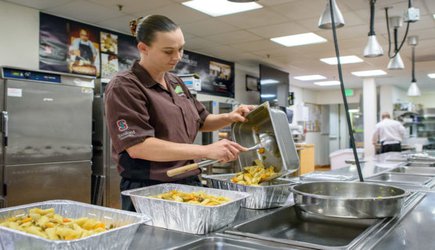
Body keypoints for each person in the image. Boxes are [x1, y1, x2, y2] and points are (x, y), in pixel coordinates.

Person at [104, 15, 255, 211]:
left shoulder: (175, 82)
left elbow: (201, 120)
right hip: (150, 188)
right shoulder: (125, 86)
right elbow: (138, 146)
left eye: (181, 49)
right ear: (143, 48)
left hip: (189, 180)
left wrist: (230, 117)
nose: (177, 57)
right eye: (168, 51)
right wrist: (206, 150)